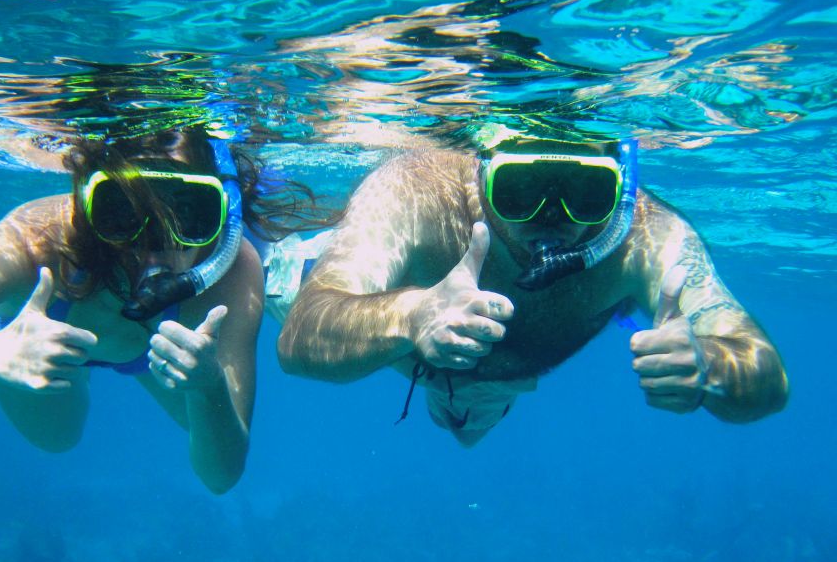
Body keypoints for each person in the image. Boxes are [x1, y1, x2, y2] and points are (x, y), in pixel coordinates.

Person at [0, 127, 322, 493]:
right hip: (33, 344)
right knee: (56, 439)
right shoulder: (38, 239)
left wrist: (208, 387)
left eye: (188, 216)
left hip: (160, 352)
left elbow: (222, 475)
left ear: (222, 218)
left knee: (196, 425)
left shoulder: (233, 268)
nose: (151, 253)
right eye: (121, 214)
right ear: (88, 205)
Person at [277, 129, 789, 446]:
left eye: (585, 195)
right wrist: (411, 315)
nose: (552, 221)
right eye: (520, 190)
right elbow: (299, 338)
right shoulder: (418, 191)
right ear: (481, 174)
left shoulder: (647, 234)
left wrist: (711, 367)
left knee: (464, 431)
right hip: (387, 338)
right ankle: (300, 256)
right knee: (293, 287)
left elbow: (767, 375)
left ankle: (462, 402)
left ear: (619, 187)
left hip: (492, 383)